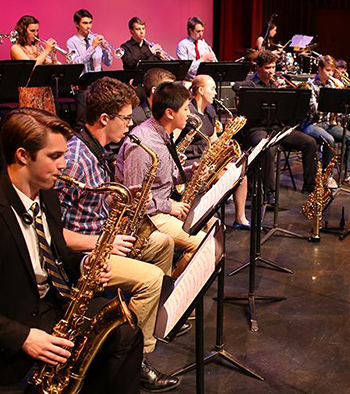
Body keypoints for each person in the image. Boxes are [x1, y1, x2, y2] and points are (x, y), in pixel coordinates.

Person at [0, 108, 142, 393]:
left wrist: (84, 266)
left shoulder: (46, 193)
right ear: (23, 155)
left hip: (51, 306)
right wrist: (23, 337)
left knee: (127, 334)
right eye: (55, 156)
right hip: (8, 327)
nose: (63, 165)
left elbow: (54, 253)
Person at [56, 77, 181, 392]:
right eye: (126, 118)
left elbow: (90, 200)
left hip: (101, 236)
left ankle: (147, 323)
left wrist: (120, 196)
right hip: (82, 255)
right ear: (104, 119)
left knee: (162, 243)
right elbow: (51, 228)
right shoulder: (74, 158)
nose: (130, 124)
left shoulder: (95, 149)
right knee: (151, 278)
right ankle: (135, 357)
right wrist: (104, 242)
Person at [117, 81, 205, 278]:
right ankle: (171, 292)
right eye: (185, 109)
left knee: (212, 224)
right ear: (170, 113)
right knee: (205, 245)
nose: (189, 114)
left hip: (162, 206)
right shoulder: (142, 144)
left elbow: (163, 179)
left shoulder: (163, 133)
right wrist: (169, 206)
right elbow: (134, 201)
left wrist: (191, 172)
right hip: (149, 217)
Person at [233, 50, 319, 199]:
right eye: (267, 68)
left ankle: (310, 185)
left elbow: (287, 115)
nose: (271, 71)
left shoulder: (276, 84)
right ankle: (268, 193)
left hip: (277, 128)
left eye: (273, 67)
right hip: (256, 129)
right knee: (268, 148)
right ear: (258, 67)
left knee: (310, 142)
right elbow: (237, 87)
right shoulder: (250, 85)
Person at [183, 74, 250, 229]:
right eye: (212, 89)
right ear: (200, 90)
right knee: (222, 177)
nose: (215, 93)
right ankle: (206, 219)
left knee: (241, 175)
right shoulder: (189, 111)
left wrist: (224, 148)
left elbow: (213, 138)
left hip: (207, 157)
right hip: (191, 160)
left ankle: (240, 218)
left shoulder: (210, 110)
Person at [303, 55, 350, 190]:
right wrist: (330, 98)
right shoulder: (310, 85)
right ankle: (327, 176)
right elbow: (313, 109)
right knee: (329, 140)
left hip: (329, 123)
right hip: (312, 124)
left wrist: (341, 95)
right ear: (320, 69)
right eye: (328, 70)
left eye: (332, 71)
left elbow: (340, 110)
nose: (330, 74)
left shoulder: (332, 84)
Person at [67, 9, 113, 129]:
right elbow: (76, 62)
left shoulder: (95, 39)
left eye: (90, 23)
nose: (89, 26)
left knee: (100, 118)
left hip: (99, 85)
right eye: (85, 23)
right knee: (82, 121)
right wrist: (92, 47)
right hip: (83, 87)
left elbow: (108, 63)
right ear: (76, 24)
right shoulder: (72, 42)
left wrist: (105, 50)